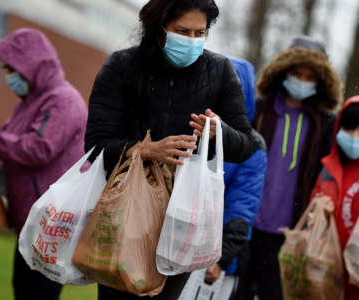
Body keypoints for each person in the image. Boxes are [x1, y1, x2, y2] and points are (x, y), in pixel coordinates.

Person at [84, 0, 264, 299]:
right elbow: (95, 146)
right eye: (182, 31)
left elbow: (246, 145)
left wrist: (219, 131)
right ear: (158, 28)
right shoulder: (122, 66)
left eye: (199, 33)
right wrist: (145, 150)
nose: (191, 41)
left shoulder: (219, 71)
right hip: (124, 212)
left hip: (182, 219)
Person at [0, 28, 88, 300]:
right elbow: (7, 141)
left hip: (51, 226)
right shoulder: (31, 102)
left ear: (30, 66)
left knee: (36, 294)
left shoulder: (62, 101)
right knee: (23, 290)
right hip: (33, 223)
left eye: (10, 70)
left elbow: (36, 149)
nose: (8, 77)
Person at [249, 36, 343, 300]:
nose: (302, 81)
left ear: (321, 81)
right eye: (296, 73)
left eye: (310, 76)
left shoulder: (324, 124)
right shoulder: (261, 110)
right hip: (248, 225)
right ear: (283, 71)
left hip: (290, 233)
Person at [204, 57, 267, 300]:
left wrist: (221, 260)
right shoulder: (194, 126)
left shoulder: (252, 147)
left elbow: (242, 207)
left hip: (215, 259)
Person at [311, 96, 359, 300]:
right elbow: (312, 214)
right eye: (349, 129)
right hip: (329, 275)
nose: (354, 137)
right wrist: (318, 213)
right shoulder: (328, 170)